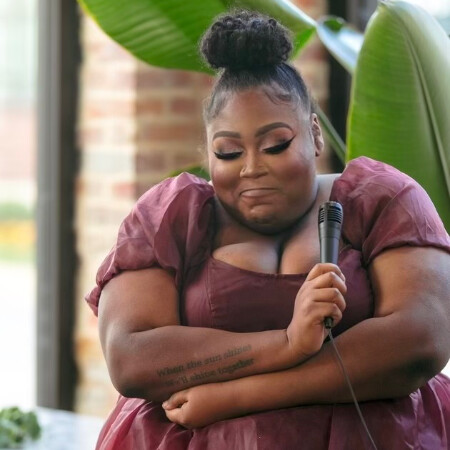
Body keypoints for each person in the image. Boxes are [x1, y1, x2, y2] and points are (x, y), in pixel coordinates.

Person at [85, 10, 450, 450]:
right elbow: (130, 358)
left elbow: (420, 342)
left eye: (275, 145)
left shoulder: (383, 199)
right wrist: (286, 343)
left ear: (314, 134)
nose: (252, 168)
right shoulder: (170, 215)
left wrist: (238, 396)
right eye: (228, 152)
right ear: (207, 152)